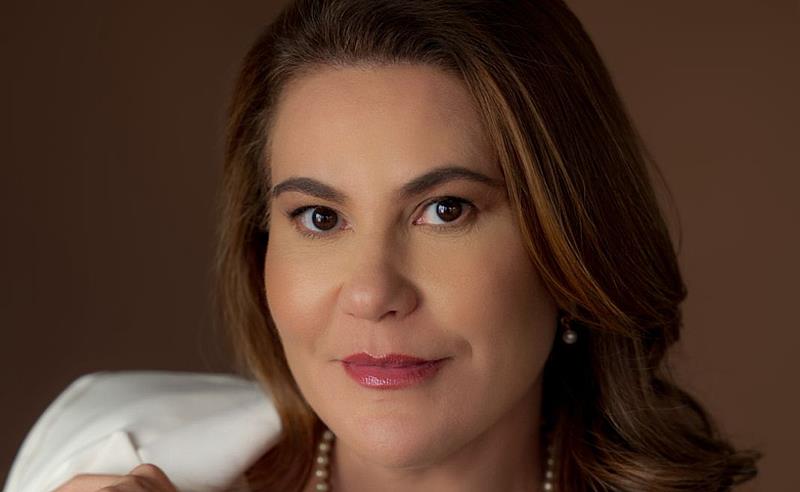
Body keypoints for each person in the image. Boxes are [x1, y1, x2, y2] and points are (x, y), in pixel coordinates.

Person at [5, 1, 761, 491]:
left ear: (572, 250)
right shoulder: (97, 452)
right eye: (319, 218)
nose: (372, 293)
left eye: (445, 210)